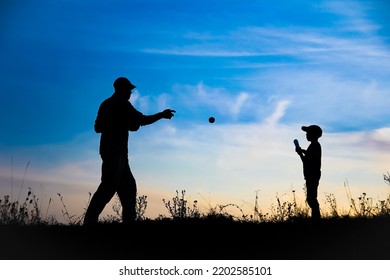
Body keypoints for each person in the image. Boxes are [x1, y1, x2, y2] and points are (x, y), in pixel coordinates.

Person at [84, 77, 175, 225]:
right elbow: (141, 120)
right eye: (129, 90)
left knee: (128, 188)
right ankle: (89, 222)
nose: (130, 93)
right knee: (108, 188)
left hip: (113, 153)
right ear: (122, 89)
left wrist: (122, 123)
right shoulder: (122, 104)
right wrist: (161, 115)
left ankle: (127, 223)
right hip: (116, 153)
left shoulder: (106, 104)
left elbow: (97, 128)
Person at [295, 125, 322, 220]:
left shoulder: (315, 146)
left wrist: (300, 154)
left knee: (311, 199)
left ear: (313, 134)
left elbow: (307, 161)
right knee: (311, 198)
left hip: (312, 175)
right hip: (312, 174)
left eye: (308, 133)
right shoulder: (314, 146)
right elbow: (310, 156)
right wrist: (302, 151)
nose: (306, 135)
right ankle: (316, 218)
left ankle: (316, 219)